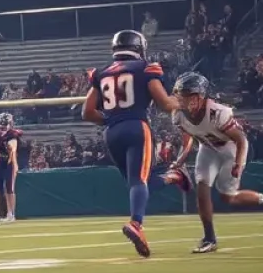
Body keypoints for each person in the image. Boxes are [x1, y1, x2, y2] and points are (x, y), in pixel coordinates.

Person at [83, 30, 179, 258]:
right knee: (139, 182)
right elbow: (165, 104)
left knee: (137, 183)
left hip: (112, 132)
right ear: (139, 47)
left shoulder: (102, 73)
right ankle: (136, 223)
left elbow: (87, 112)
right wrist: (183, 102)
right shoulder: (146, 68)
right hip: (136, 127)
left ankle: (174, 177)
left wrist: (110, 119)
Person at [163, 72, 263, 253]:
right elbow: (188, 140)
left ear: (201, 96)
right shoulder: (178, 114)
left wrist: (238, 164)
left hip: (230, 149)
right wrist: (180, 161)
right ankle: (209, 238)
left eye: (188, 96)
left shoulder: (218, 112)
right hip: (207, 148)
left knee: (228, 196)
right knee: (202, 186)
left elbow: (241, 140)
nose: (184, 100)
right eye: (181, 95)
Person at [0, 112, 22, 222]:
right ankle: (2, 213)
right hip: (0, 162)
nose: (2, 127)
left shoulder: (13, 135)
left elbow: (13, 150)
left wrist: (15, 164)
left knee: (9, 188)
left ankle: (11, 213)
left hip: (10, 162)